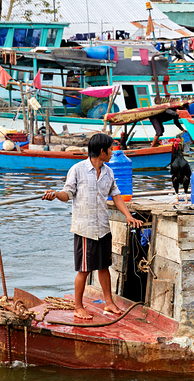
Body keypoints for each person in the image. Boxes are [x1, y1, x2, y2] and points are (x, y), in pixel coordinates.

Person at [42, 133, 143, 320]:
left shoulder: (108, 172)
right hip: (85, 229)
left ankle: (109, 303)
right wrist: (55, 194)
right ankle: (78, 307)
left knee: (104, 267)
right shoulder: (77, 170)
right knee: (84, 269)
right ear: (102, 151)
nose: (113, 152)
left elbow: (116, 195)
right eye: (111, 149)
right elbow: (67, 194)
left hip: (103, 227)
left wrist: (128, 216)